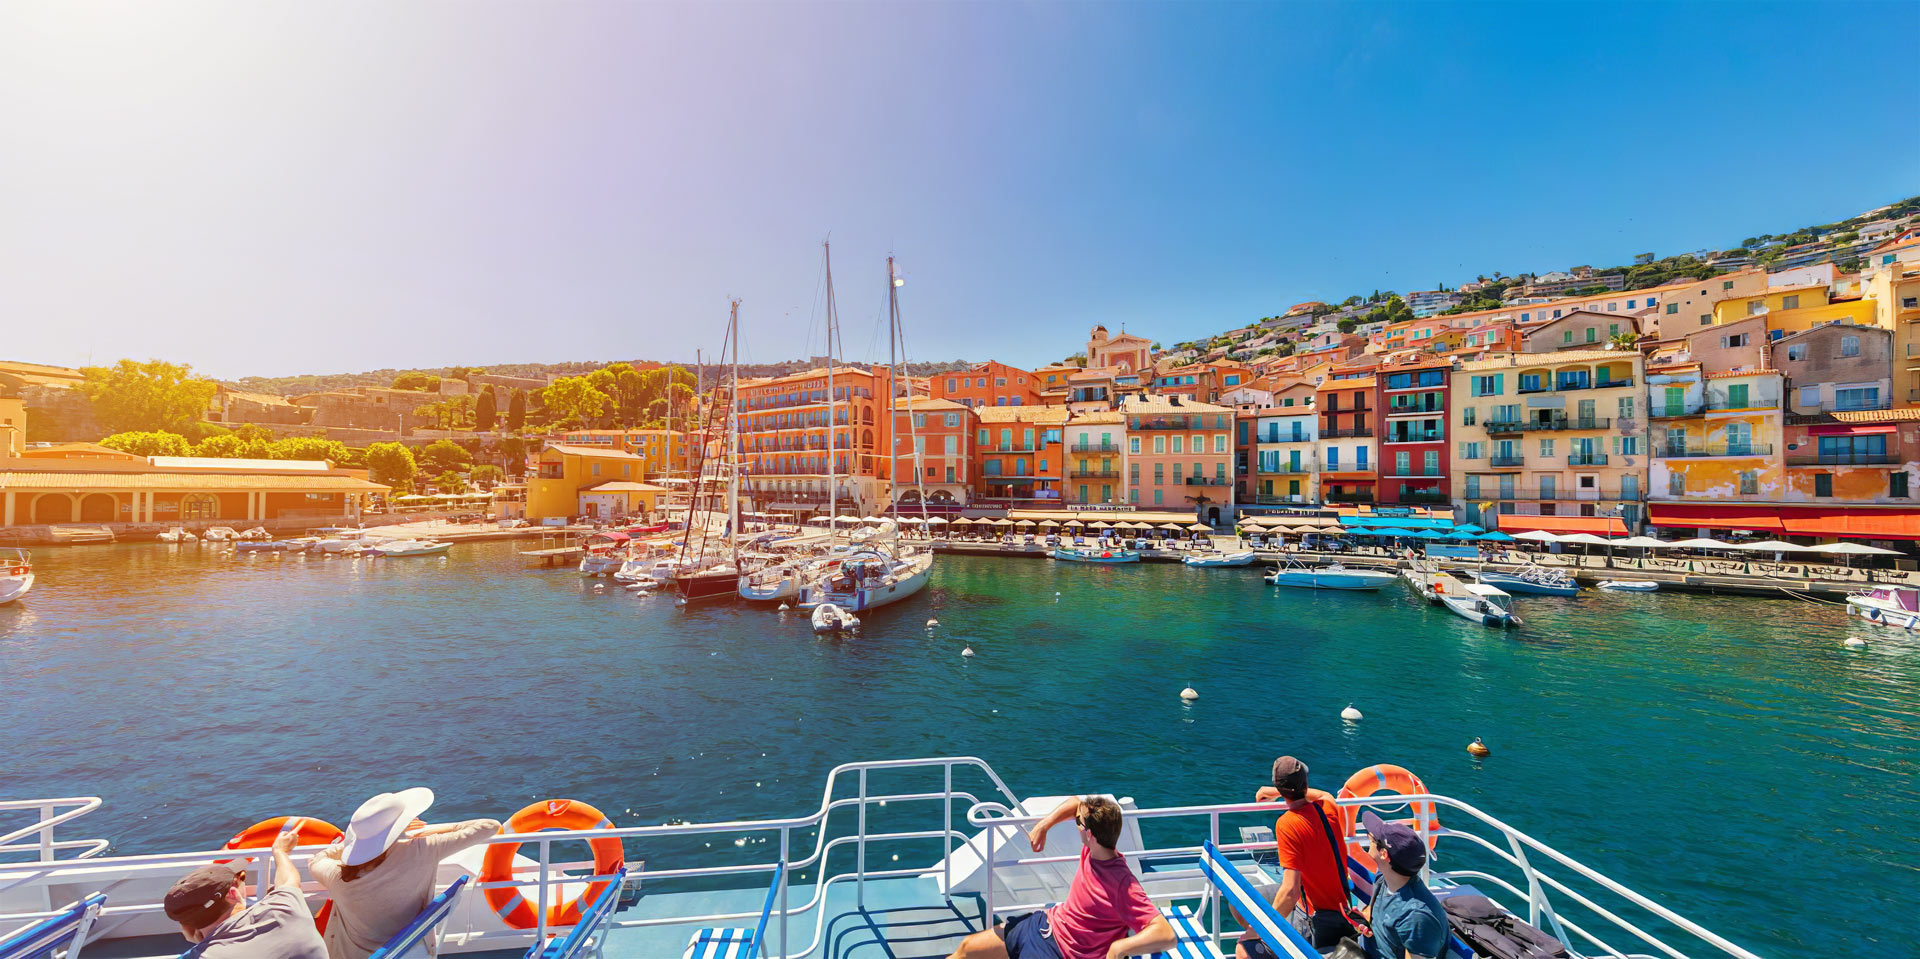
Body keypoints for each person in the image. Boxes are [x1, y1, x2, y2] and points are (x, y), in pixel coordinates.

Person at [947, 796, 1175, 959]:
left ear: (1089, 834)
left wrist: (1119, 948)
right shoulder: (1093, 850)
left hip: (1058, 952)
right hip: (1044, 925)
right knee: (967, 948)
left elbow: (1166, 933)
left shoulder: (1122, 884)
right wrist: (1044, 825)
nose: (1076, 821)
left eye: (1078, 823)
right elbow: (1077, 803)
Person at [309, 788, 502, 959]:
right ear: (396, 830)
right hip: (410, 950)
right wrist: (412, 832)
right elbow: (489, 826)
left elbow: (316, 860)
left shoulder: (337, 877)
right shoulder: (421, 850)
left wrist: (354, 843)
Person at [1241, 756, 1358, 957]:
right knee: (1238, 904)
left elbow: (1290, 891)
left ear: (1279, 787)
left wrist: (1262, 931)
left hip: (1310, 918)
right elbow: (1323, 794)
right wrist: (1281, 791)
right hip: (1339, 910)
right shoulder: (1327, 807)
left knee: (1244, 949)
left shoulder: (1287, 825)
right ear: (1305, 783)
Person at [163, 823, 327, 958]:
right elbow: (289, 881)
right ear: (233, 895)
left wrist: (200, 945)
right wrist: (280, 852)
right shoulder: (285, 909)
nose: (243, 877)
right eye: (241, 878)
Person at [1357, 812, 1447, 959]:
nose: (1368, 837)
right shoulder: (1384, 877)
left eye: (1371, 837)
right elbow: (1375, 914)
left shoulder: (1416, 917)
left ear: (1384, 854)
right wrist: (1363, 921)